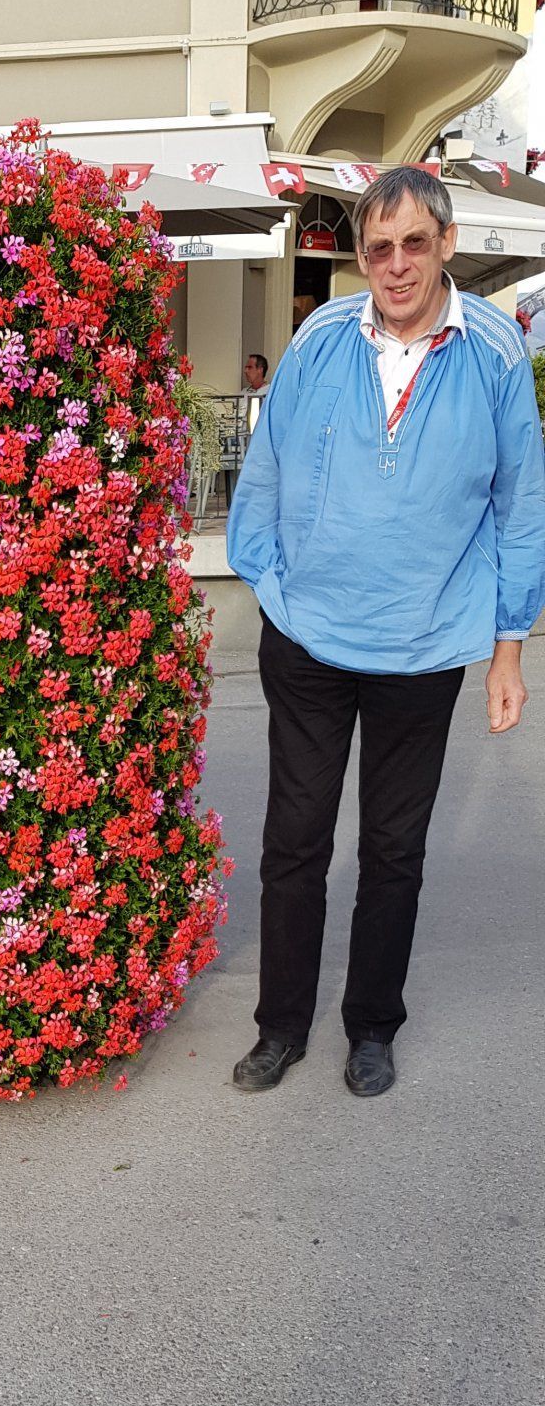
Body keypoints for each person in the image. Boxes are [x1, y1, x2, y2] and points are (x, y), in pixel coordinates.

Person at [226, 165, 545, 1099]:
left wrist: (507, 650)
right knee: (296, 842)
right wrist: (267, 579)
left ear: (446, 243)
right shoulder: (322, 337)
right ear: (361, 256)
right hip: (311, 640)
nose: (396, 265)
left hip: (427, 643)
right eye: (377, 248)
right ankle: (281, 1026)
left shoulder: (490, 354)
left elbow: (519, 508)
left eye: (414, 243)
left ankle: (372, 1026)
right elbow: (268, 466)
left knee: (393, 853)